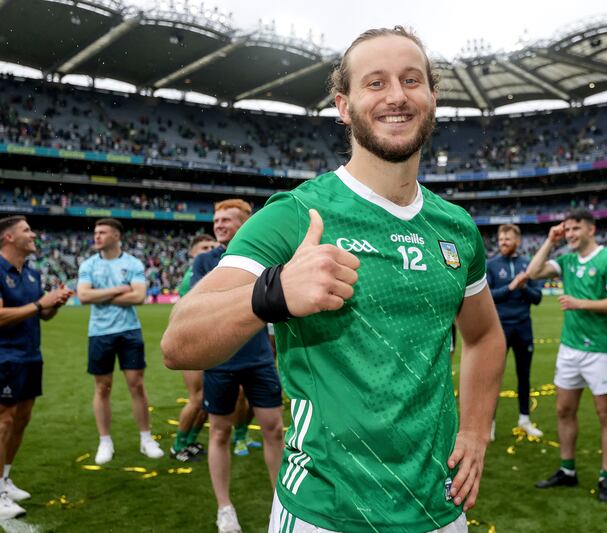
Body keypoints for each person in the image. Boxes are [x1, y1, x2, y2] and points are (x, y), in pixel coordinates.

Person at [161, 26, 506, 533]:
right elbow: (178, 341)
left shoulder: (456, 227)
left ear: (433, 97)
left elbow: (484, 335)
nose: (396, 96)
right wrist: (272, 293)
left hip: (439, 508)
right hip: (324, 513)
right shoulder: (297, 214)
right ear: (343, 106)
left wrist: (475, 432)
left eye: (412, 80)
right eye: (375, 83)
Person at [189, 199, 284, 533]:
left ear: (247, 223)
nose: (218, 224)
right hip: (221, 360)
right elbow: (201, 307)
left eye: (227, 219)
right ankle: (224, 508)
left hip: (258, 357)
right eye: (216, 219)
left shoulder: (267, 256)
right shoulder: (204, 261)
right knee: (219, 431)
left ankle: (281, 503)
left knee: (274, 429)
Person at [525, 209, 607, 502]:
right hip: (570, 349)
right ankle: (567, 471)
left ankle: (606, 477)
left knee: (606, 415)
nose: (569, 234)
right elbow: (532, 273)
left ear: (591, 230)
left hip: (601, 351)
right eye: (566, 229)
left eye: (575, 229)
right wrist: (550, 240)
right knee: (563, 411)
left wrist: (579, 303)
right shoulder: (567, 260)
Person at [0, 216, 72, 519]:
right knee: (4, 420)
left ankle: (4, 478)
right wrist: (42, 304)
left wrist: (54, 304)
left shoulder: (32, 273)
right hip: (4, 357)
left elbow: (40, 316)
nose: (33, 235)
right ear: (8, 237)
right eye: (27, 230)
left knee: (22, 419)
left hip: (31, 355)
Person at [76, 218, 163, 464]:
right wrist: (117, 290)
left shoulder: (132, 263)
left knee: (136, 385)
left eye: (102, 232)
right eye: (95, 232)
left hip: (129, 332)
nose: (97, 236)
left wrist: (99, 295)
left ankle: (146, 438)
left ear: (116, 235)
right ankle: (105, 441)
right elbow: (83, 296)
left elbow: (138, 297)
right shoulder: (88, 264)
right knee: (102, 387)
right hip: (100, 333)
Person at [486, 224, 543, 440]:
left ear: (517, 241)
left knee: (524, 376)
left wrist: (523, 287)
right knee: (493, 378)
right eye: (501, 239)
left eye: (507, 239)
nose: (503, 242)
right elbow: (488, 296)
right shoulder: (490, 265)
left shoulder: (528, 265)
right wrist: (511, 286)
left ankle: (524, 420)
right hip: (499, 329)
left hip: (523, 328)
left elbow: (537, 298)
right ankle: (488, 423)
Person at [171, 233, 216, 462]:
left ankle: (190, 441)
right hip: (192, 341)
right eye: (204, 247)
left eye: (212, 246)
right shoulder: (193, 276)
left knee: (208, 399)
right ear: (191, 253)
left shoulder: (209, 271)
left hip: (208, 342)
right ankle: (178, 446)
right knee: (197, 398)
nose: (209, 250)